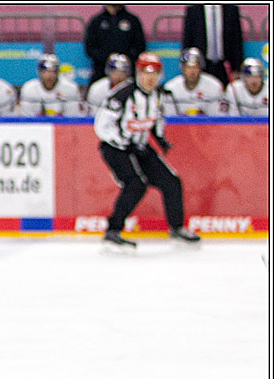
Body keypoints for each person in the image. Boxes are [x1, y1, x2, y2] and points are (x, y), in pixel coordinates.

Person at [94, 53, 201, 252]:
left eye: (155, 73)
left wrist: (160, 139)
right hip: (116, 148)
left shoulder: (157, 95)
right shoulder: (123, 94)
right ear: (137, 73)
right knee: (135, 185)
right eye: (145, 73)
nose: (150, 78)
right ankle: (113, 231)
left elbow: (156, 119)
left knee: (172, 182)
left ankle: (177, 228)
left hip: (139, 146)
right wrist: (120, 141)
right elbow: (101, 124)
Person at [182, 4, 244, 86]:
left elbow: (237, 42)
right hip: (201, 66)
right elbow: (188, 40)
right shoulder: (194, 10)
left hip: (225, 65)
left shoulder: (231, 10)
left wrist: (236, 69)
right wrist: (188, 67)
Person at [84, 5, 146, 84]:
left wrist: (125, 59)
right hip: (101, 72)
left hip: (128, 73)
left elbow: (140, 46)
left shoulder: (133, 20)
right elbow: (90, 48)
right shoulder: (96, 21)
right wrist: (108, 59)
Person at [162, 48, 224, 116]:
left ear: (200, 68)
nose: (192, 71)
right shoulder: (171, 88)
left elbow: (217, 117)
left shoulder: (214, 86)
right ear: (182, 68)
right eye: (188, 67)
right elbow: (169, 118)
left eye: (195, 67)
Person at [19, 53, 83, 116]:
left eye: (53, 72)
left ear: (58, 72)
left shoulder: (70, 88)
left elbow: (73, 119)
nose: (49, 76)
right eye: (45, 72)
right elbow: (27, 120)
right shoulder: (29, 89)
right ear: (39, 72)